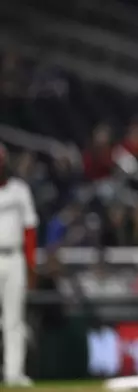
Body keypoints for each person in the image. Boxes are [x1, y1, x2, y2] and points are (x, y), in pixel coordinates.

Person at [0, 143, 38, 387]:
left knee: (14, 320)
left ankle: (14, 374)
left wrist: (31, 265)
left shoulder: (20, 190)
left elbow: (30, 229)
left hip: (14, 258)